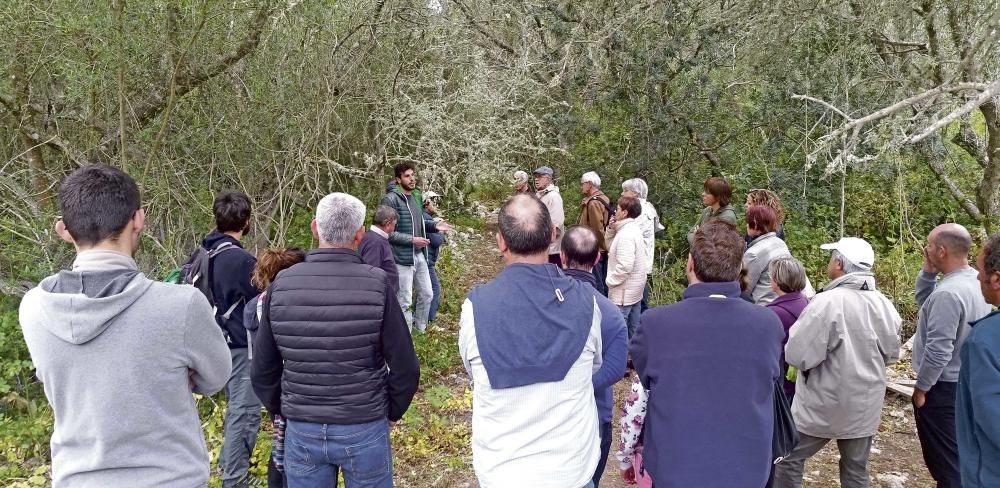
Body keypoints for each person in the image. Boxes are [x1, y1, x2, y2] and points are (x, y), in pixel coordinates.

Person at [19, 165, 231, 486]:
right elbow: (215, 378)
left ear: (63, 230)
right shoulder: (181, 305)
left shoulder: (34, 308)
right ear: (139, 220)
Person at [251, 192, 421, 487]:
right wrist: (391, 411)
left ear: (314, 228)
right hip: (364, 423)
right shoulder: (377, 284)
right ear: (360, 234)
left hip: (303, 426)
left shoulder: (281, 286)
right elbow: (405, 366)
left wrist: (287, 406)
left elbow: (263, 370)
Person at [459, 194, 602, 487]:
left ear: (501, 242)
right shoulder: (587, 302)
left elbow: (474, 370)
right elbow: (593, 366)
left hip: (503, 472)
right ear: (553, 236)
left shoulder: (476, 307)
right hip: (571, 470)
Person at [629, 221, 783, 488]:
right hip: (746, 470)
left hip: (675, 468)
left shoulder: (655, 323)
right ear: (739, 269)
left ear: (689, 264)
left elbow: (645, 380)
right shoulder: (768, 324)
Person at [774, 237, 902, 488]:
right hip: (864, 404)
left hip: (821, 404)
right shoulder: (884, 305)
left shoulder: (826, 302)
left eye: (832, 257)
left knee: (787, 458)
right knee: (856, 470)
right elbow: (891, 355)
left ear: (840, 264)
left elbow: (797, 354)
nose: (829, 262)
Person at [912, 224, 991, 488]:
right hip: (968, 381)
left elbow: (939, 349)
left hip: (943, 387)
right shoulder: (974, 281)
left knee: (946, 463)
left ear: (941, 250)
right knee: (960, 455)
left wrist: (922, 389)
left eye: (930, 245)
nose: (927, 249)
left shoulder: (948, 293)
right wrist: (927, 273)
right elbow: (928, 305)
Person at [200, 191, 264, 488]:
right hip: (240, 345)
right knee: (244, 411)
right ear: (246, 222)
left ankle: (229, 466)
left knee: (235, 409)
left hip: (211, 342)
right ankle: (235, 479)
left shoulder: (202, 253)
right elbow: (262, 301)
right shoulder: (240, 260)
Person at [560, 225, 628, 487]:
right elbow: (615, 369)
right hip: (595, 415)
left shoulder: (546, 303)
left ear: (563, 257)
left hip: (552, 413)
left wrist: (562, 387)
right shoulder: (610, 312)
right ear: (598, 258)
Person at [243, 247, 307, 488]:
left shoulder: (253, 307)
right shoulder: (297, 303)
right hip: (299, 389)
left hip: (274, 392)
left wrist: (272, 401)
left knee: (280, 446)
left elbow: (258, 363)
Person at [381, 162, 450, 333]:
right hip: (401, 258)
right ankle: (407, 338)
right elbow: (387, 232)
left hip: (420, 255)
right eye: (407, 176)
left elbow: (418, 223)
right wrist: (413, 240)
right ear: (398, 179)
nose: (412, 179)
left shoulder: (416, 196)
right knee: (404, 301)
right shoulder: (390, 199)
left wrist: (435, 226)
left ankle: (421, 331)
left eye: (413, 175)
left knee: (427, 294)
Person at [957, 233, 1000, 487]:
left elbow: (993, 422)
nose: (976, 275)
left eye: (980, 269)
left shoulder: (985, 340)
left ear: (996, 279)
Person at [764, 257, 810, 402]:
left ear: (777, 281)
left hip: (782, 387)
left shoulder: (773, 313)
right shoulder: (807, 302)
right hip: (802, 382)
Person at [606, 195, 648, 339]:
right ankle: (633, 359)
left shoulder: (626, 235)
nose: (614, 212)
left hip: (623, 293)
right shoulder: (629, 229)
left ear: (624, 213)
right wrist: (611, 229)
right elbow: (611, 247)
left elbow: (625, 266)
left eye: (617, 209)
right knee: (633, 330)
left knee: (620, 332)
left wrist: (610, 281)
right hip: (633, 291)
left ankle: (624, 359)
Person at [621, 178, 662, 312]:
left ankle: (644, 329)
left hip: (639, 263)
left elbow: (629, 233)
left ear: (636, 194)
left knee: (639, 303)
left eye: (626, 191)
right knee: (638, 301)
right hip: (639, 262)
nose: (622, 194)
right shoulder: (646, 208)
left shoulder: (642, 211)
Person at [743, 205, 797, 304]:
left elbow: (743, 288)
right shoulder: (780, 243)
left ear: (754, 225)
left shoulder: (753, 253)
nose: (746, 225)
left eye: (748, 222)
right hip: (781, 301)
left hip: (762, 306)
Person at [578, 171, 612, 296]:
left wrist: (601, 247)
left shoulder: (593, 203)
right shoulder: (604, 198)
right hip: (602, 247)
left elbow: (597, 228)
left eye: (582, 184)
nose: (581, 186)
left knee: (597, 283)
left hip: (595, 248)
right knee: (603, 280)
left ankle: (600, 309)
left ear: (590, 184)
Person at [359, 205, 401, 294]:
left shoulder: (376, 238)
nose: (394, 229)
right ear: (388, 224)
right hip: (380, 297)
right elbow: (370, 274)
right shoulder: (374, 242)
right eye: (395, 225)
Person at [687, 176, 737, 245]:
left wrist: (698, 237)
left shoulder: (727, 218)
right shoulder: (707, 210)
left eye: (707, 192)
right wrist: (699, 238)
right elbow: (690, 234)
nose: (703, 194)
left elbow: (713, 246)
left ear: (718, 196)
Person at [534, 166, 565, 266]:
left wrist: (544, 243)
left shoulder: (553, 197)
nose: (536, 179)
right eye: (535, 176)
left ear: (548, 179)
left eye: (539, 176)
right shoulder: (541, 195)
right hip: (542, 248)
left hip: (551, 251)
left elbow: (557, 225)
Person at [423, 191, 446, 323]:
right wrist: (441, 230)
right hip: (427, 260)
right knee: (434, 289)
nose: (437, 205)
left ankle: (418, 316)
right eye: (434, 202)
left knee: (424, 291)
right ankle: (428, 320)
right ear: (426, 203)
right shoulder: (426, 218)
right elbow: (436, 241)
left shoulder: (426, 217)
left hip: (427, 260)